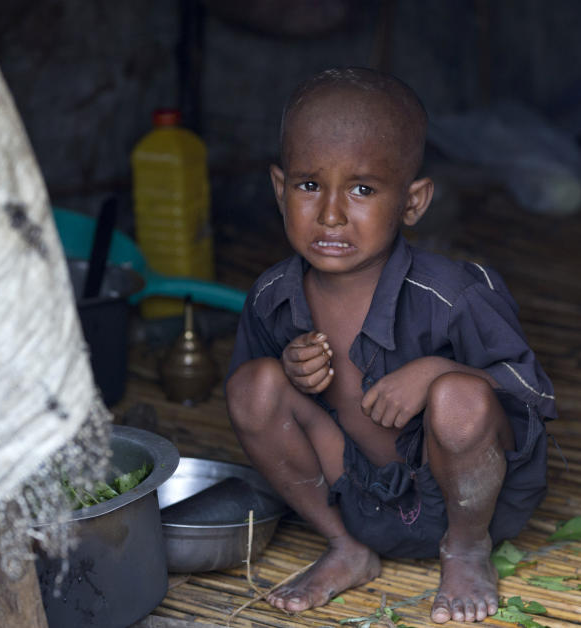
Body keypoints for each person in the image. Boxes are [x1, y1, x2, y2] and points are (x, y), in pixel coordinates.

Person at [225, 67, 556, 624]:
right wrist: (286, 367)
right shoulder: (272, 296)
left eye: (362, 189)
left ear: (412, 201)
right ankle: (346, 548)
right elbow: (256, 407)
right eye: (309, 185)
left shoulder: (452, 294)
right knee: (254, 386)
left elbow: (532, 390)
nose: (330, 213)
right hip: (356, 499)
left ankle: (467, 553)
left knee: (458, 397)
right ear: (280, 190)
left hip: (472, 504)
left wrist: (435, 372)